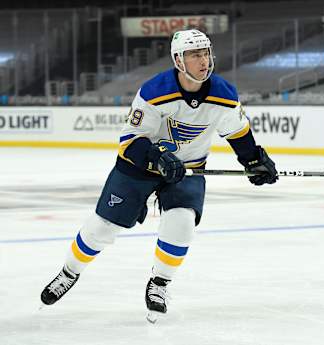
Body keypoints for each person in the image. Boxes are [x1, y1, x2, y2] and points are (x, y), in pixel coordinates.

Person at [40, 29, 278, 323]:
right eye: (195, 55)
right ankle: (69, 272)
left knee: (182, 224)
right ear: (179, 60)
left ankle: (160, 283)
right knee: (102, 228)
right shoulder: (154, 91)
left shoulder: (224, 95)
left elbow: (237, 132)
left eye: (206, 53)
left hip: (187, 168)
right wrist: (158, 157)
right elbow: (130, 141)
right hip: (139, 167)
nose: (203, 60)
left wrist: (253, 159)